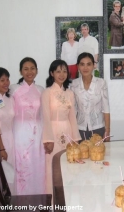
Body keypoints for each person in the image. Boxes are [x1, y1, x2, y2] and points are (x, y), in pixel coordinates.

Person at [42, 59, 81, 194]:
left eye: (64, 71)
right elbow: (45, 118)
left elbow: (72, 118)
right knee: (53, 166)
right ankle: (53, 202)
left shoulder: (69, 93)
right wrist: (48, 140)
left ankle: (67, 201)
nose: (62, 74)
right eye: (58, 71)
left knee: (68, 165)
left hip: (68, 131)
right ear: (52, 73)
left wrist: (76, 139)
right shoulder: (47, 92)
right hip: (53, 132)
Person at [10, 57, 45, 195]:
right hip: (19, 133)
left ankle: (39, 200)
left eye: (32, 68)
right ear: (20, 71)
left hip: (38, 133)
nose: (29, 72)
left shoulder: (41, 90)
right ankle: (22, 202)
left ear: (37, 71)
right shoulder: (13, 89)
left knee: (37, 165)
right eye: (26, 69)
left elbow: (43, 115)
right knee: (22, 165)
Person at [70, 52, 110, 142]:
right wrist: (72, 130)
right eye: (82, 64)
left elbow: (106, 108)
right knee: (81, 155)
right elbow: (73, 109)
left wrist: (107, 131)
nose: (85, 68)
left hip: (98, 127)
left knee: (98, 155)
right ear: (78, 67)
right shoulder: (74, 84)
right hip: (79, 128)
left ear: (93, 66)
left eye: (89, 64)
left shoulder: (101, 83)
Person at [0, 67, 15, 193]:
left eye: (7, 79)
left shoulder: (10, 99)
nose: (6, 82)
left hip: (11, 139)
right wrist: (1, 147)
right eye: (2, 80)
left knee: (11, 173)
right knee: (0, 175)